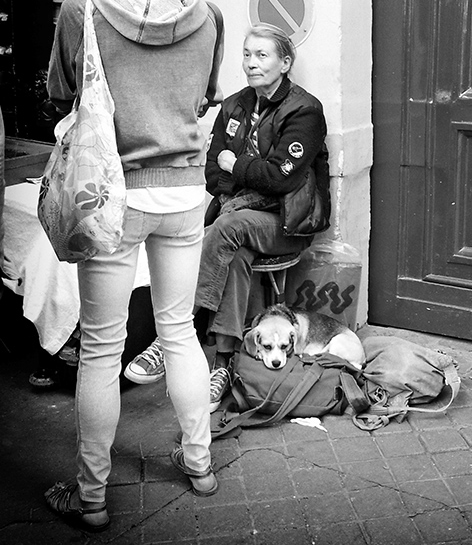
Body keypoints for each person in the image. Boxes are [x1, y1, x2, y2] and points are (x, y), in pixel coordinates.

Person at [43, 0, 225, 532]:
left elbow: (58, 95)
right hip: (184, 193)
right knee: (179, 333)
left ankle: (92, 498)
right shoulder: (210, 17)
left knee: (101, 348)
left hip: (112, 197)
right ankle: (199, 464)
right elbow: (202, 100)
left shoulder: (80, 10)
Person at [125, 23, 330, 412]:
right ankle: (222, 365)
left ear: (285, 62)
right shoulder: (234, 104)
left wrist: (236, 164)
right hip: (234, 224)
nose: (251, 63)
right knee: (232, 251)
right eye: (247, 54)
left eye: (262, 55)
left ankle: (171, 335)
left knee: (228, 226)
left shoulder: (305, 110)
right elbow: (211, 172)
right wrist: (240, 171)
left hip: (286, 224)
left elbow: (280, 178)